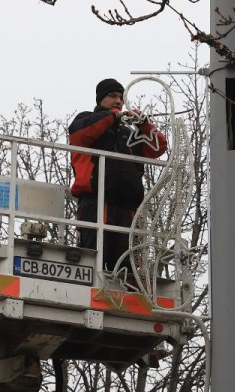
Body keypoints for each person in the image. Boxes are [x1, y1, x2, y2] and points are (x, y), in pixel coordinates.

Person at [68, 78, 167, 273]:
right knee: (95, 259)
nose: (118, 101)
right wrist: (114, 116)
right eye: (113, 96)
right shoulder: (86, 120)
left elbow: (158, 148)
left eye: (121, 97)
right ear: (100, 99)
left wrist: (145, 125)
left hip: (128, 206)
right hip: (96, 202)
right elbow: (79, 135)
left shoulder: (129, 132)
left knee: (126, 264)